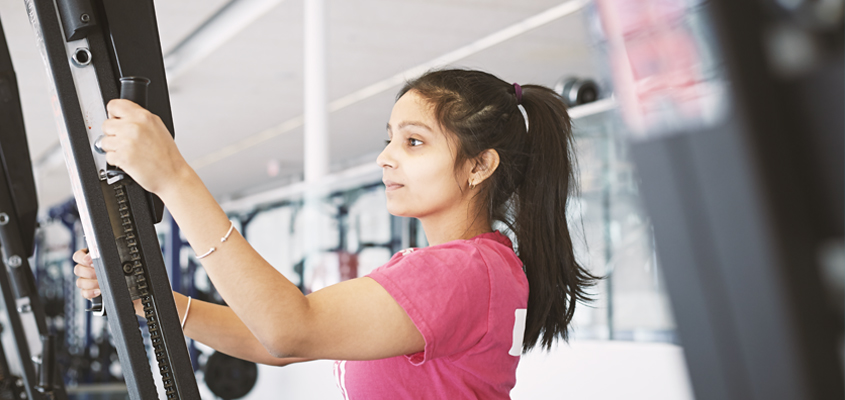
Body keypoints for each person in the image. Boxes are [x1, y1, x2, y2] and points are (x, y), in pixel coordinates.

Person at [73, 69, 601, 399]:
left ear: (479, 166)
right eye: (390, 139)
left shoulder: (461, 271)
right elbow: (282, 345)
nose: (386, 157)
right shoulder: (482, 266)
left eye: (414, 142)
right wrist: (150, 299)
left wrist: (174, 179)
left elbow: (289, 330)